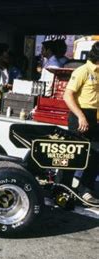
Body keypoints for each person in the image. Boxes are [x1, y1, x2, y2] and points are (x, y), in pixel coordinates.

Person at [63, 41, 99, 204]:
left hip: (95, 117)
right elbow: (67, 95)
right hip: (80, 116)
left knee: (96, 155)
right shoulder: (82, 71)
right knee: (72, 155)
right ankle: (62, 189)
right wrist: (80, 116)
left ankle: (85, 190)